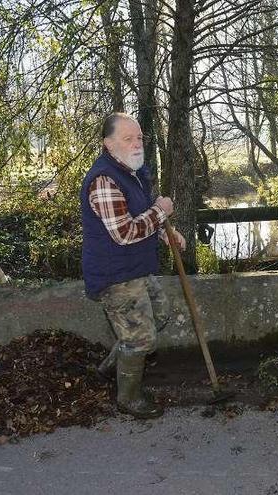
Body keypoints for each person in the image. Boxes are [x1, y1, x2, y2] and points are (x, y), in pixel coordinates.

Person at [80, 112, 186, 420]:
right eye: (128, 138)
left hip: (137, 268)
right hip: (115, 275)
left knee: (160, 312)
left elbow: (145, 215)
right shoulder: (104, 180)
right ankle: (128, 398)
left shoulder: (133, 172)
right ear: (108, 143)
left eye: (139, 137)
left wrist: (168, 231)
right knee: (141, 339)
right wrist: (160, 210)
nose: (136, 143)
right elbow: (125, 233)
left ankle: (110, 367)